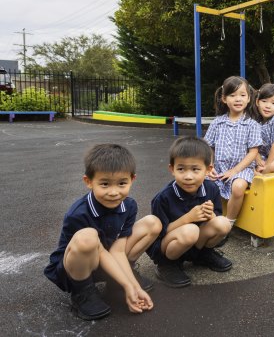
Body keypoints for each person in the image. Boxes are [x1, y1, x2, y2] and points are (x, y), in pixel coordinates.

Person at [44, 144, 162, 320]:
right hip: (77, 267)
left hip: (109, 257)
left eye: (122, 183)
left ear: (132, 179)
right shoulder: (78, 213)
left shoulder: (129, 206)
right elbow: (99, 251)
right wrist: (129, 285)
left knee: (152, 223)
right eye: (105, 184)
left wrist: (133, 286)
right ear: (89, 181)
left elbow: (118, 250)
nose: (114, 192)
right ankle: (83, 291)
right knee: (87, 238)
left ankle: (115, 280)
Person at [147, 136, 233, 288]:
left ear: (208, 170)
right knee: (190, 230)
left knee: (223, 223)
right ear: (172, 169)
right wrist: (188, 218)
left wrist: (211, 215)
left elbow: (216, 219)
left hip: (195, 242)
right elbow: (159, 236)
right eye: (181, 169)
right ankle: (168, 265)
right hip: (167, 247)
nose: (188, 176)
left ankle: (202, 255)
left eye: (195, 169)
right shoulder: (163, 198)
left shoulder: (211, 188)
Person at [205, 76, 262, 227]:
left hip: (241, 169)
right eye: (232, 95)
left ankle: (228, 222)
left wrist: (234, 171)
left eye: (242, 95)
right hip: (219, 167)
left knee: (237, 187)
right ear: (224, 99)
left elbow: (253, 152)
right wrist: (209, 166)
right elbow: (208, 146)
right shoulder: (217, 122)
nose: (238, 99)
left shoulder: (252, 125)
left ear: (249, 98)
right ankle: (206, 218)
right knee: (201, 183)